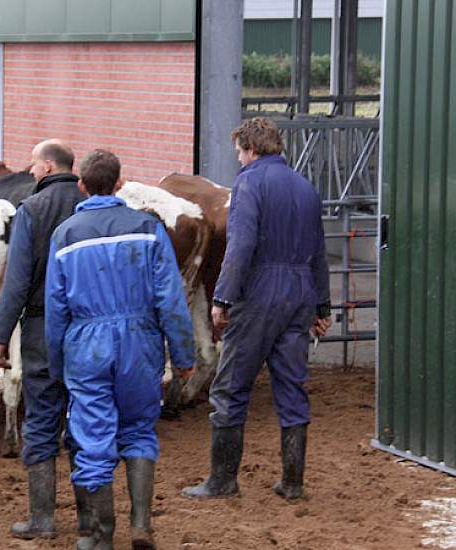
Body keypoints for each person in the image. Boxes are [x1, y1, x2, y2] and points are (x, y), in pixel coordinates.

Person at [44, 149, 194, 550]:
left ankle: (102, 534)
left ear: (81, 186)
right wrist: (183, 357)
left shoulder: (66, 234)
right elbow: (170, 298)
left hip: (86, 345)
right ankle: (141, 525)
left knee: (93, 438)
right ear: (120, 182)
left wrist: (57, 365)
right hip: (139, 342)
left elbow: (56, 309)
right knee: (140, 430)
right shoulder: (147, 228)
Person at [183, 117, 332, 502]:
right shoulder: (304, 186)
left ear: (249, 149)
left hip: (261, 293)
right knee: (292, 385)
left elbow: (241, 245)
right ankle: (293, 481)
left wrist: (223, 298)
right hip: (300, 293)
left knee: (230, 387)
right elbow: (319, 249)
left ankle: (222, 480)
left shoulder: (250, 182)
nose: (239, 160)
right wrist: (322, 304)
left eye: (238, 152)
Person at [0, 139, 86, 540]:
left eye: (32, 165)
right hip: (88, 330)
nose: (29, 172)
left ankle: (42, 520)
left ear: (47, 167)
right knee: (85, 419)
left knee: (42, 418)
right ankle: (89, 518)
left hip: (43, 329)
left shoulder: (33, 209)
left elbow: (17, 281)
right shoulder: (89, 202)